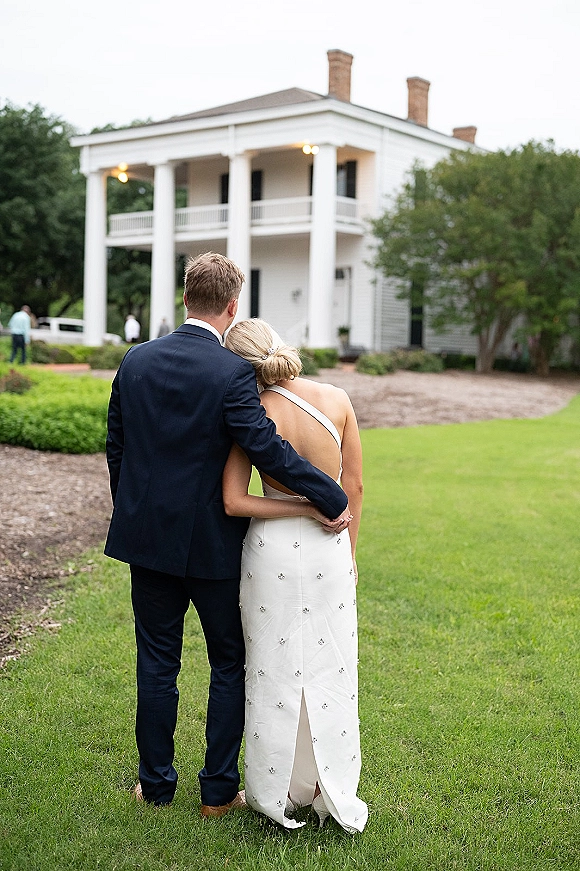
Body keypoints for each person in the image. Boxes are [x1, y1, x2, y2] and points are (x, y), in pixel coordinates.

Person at [104, 252, 351, 816]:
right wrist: (328, 496)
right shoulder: (231, 372)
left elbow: (116, 445)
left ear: (185, 298)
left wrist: (137, 510)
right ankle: (217, 793)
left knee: (156, 662)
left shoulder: (135, 361)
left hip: (149, 544)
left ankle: (156, 786)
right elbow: (266, 447)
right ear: (233, 305)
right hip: (216, 547)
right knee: (227, 664)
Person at [223, 318, 368, 833]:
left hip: (273, 550)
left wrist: (297, 507)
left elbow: (235, 500)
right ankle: (331, 790)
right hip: (332, 548)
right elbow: (352, 485)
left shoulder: (250, 414)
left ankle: (273, 791)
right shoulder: (337, 398)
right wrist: (347, 553)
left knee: (272, 669)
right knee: (332, 669)